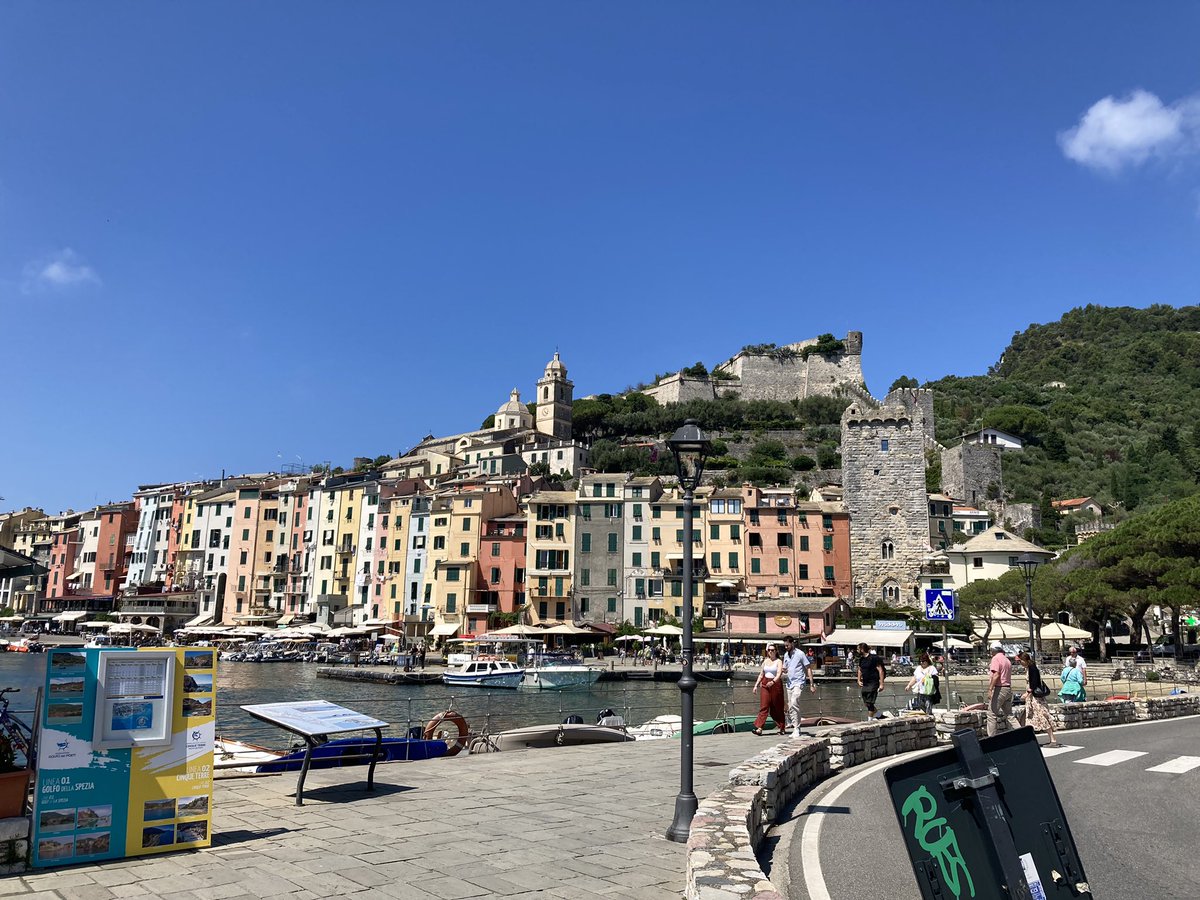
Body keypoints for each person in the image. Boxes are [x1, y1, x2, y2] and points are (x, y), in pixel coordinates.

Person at [1018, 651, 1058, 746]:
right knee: (1028, 717)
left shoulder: (1032, 668)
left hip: (1035, 698)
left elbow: (1034, 683)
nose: (1020, 663)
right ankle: (1026, 739)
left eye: (1021, 661)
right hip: (1032, 698)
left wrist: (1027, 693)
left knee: (1041, 716)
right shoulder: (1030, 668)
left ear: (1025, 660)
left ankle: (1052, 740)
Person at [781, 635, 817, 737]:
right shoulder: (786, 655)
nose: (786, 647)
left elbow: (808, 668)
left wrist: (811, 684)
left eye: (787, 645)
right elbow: (785, 669)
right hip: (789, 683)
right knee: (791, 706)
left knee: (794, 702)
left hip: (799, 682)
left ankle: (796, 728)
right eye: (785, 645)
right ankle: (796, 727)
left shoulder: (800, 654)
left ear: (792, 643)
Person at [751, 643, 786, 736]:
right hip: (765, 684)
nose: (771, 652)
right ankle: (759, 728)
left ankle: (781, 727)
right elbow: (761, 674)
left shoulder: (779, 661)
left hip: (775, 684)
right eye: (769, 650)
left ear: (776, 651)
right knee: (764, 706)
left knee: (777, 707)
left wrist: (773, 681)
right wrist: (755, 685)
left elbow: (779, 674)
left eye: (773, 650)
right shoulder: (765, 661)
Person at [986, 642, 1013, 736]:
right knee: (1009, 714)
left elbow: (996, 674)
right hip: (1008, 688)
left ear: (993, 650)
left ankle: (991, 739)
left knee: (992, 714)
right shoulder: (1006, 659)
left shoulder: (996, 658)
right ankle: (1022, 734)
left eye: (990, 650)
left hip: (999, 688)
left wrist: (990, 689)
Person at [856, 642, 886, 719]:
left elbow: (881, 670)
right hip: (865, 683)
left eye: (858, 649)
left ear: (862, 649)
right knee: (866, 703)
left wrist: (881, 684)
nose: (857, 650)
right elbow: (859, 669)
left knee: (870, 703)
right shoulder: (861, 659)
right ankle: (879, 715)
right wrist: (858, 680)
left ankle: (869, 721)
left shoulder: (874, 658)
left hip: (873, 683)